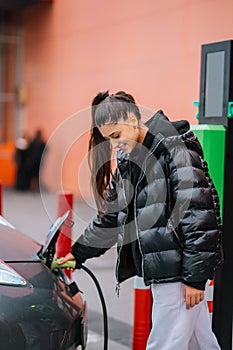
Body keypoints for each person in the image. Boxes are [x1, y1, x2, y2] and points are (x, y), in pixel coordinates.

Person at [59, 90, 223, 349]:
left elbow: (199, 218)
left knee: (165, 343)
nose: (114, 145)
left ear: (133, 121)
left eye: (116, 136)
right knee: (200, 342)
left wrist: (194, 278)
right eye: (108, 139)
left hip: (178, 272)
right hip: (167, 269)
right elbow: (113, 217)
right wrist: (78, 252)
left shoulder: (174, 151)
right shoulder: (128, 160)